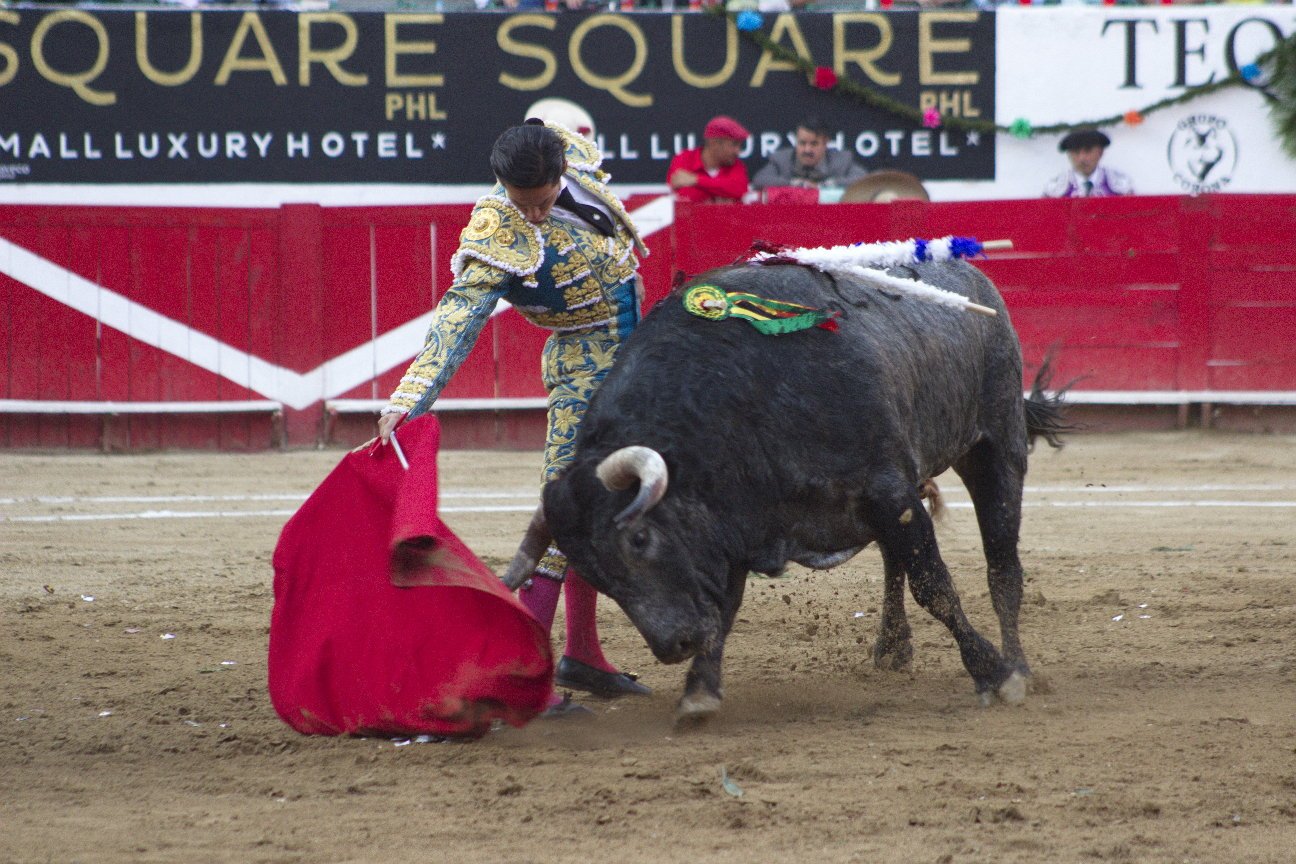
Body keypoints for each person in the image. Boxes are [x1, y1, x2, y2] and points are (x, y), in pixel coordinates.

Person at [378, 119, 652, 713]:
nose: (530, 215)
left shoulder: (569, 154)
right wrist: (409, 398)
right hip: (584, 365)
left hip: (635, 361)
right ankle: (525, 676)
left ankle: (583, 653)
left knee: (600, 503)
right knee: (562, 510)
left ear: (561, 174)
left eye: (542, 202)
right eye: (519, 202)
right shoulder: (497, 230)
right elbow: (457, 319)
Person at [751, 116, 867, 192]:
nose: (807, 150)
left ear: (826, 143)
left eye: (814, 144)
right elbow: (759, 180)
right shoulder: (781, 160)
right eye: (802, 143)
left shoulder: (842, 160)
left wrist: (825, 185)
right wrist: (794, 184)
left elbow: (864, 180)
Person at [667, 115, 751, 204]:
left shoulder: (737, 165)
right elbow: (686, 194)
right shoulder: (685, 158)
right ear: (714, 143)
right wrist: (721, 193)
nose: (738, 151)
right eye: (734, 145)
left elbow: (739, 189)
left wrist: (695, 180)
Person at [1043, 128, 1134, 198]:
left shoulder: (1120, 186)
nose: (1082, 158)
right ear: (1069, 155)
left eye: (1088, 151)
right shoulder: (1054, 190)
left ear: (1100, 152)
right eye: (1076, 152)